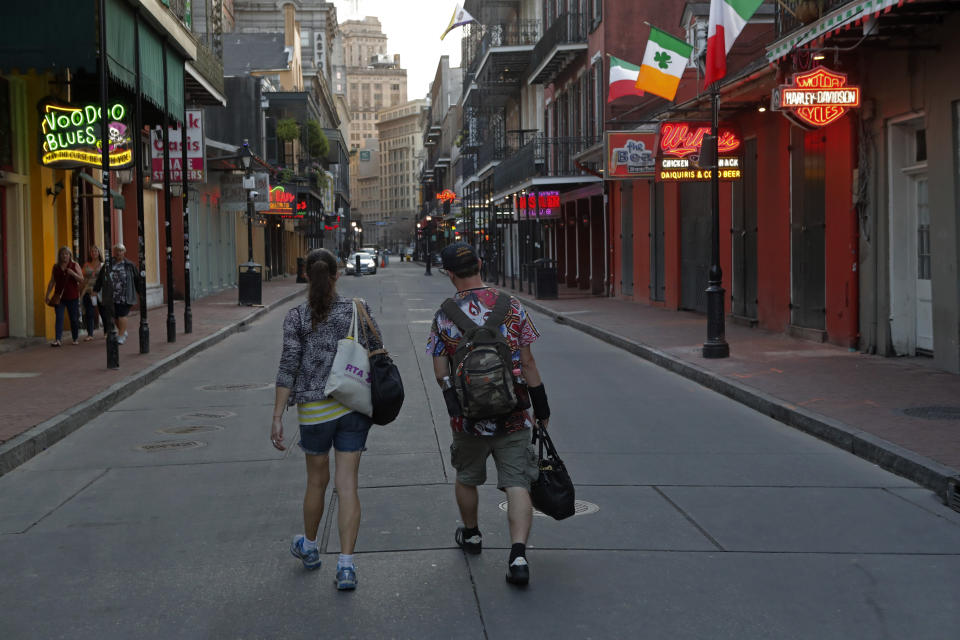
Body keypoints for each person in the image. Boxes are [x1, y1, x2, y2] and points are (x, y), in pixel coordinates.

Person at [427, 242, 551, 587]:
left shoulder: (444, 314)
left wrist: (459, 403)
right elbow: (528, 362)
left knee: (467, 476)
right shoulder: (512, 306)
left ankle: (472, 535)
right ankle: (518, 555)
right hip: (512, 414)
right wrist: (541, 409)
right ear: (480, 264)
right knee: (517, 481)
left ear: (450, 273)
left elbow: (440, 373)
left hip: (467, 419)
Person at [271, 248, 382, 591]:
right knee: (347, 485)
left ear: (306, 275)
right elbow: (377, 351)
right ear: (338, 275)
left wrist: (277, 416)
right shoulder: (357, 310)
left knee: (316, 482)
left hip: (314, 411)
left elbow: (288, 366)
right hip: (352, 406)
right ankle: (346, 566)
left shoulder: (296, 317)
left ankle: (309, 546)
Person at [95, 244, 139, 345]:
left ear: (124, 252)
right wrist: (96, 289)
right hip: (111, 295)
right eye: (117, 251)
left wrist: (140, 292)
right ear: (114, 252)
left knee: (122, 315)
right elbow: (101, 277)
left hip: (124, 295)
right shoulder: (109, 263)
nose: (119, 253)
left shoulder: (129, 265)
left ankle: (121, 336)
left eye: (121, 251)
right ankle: (123, 331)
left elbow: (137, 279)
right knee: (113, 316)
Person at [44, 247, 84, 346]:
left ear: (70, 255)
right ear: (59, 255)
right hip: (59, 297)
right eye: (62, 254)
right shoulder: (56, 267)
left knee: (74, 319)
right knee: (59, 318)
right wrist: (47, 294)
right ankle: (58, 339)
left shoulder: (75, 265)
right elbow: (52, 281)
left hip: (72, 297)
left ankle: (75, 337)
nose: (64, 256)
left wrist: (73, 273)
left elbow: (81, 280)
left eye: (67, 254)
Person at [80, 245, 105, 341]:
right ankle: (90, 334)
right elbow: (83, 279)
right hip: (88, 290)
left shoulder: (103, 265)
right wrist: (81, 290)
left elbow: (104, 279)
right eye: (92, 252)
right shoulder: (86, 265)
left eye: (95, 251)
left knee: (102, 311)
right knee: (89, 313)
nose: (94, 253)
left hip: (99, 291)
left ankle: (106, 332)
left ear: (99, 253)